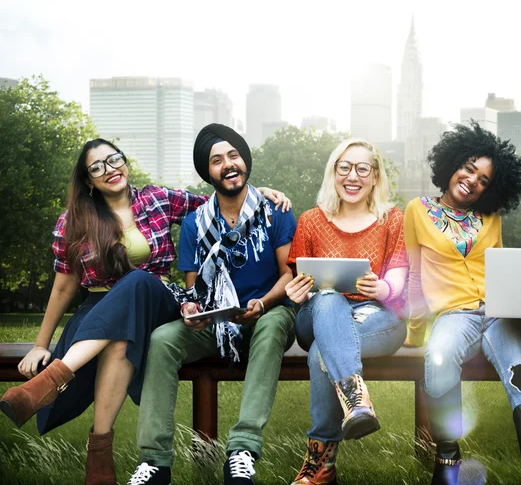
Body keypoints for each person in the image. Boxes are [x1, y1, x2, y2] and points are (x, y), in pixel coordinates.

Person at [0, 137, 288, 485]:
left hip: (158, 297)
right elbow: (63, 286)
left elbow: (221, 201)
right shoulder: (73, 222)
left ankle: (49, 382)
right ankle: (100, 460)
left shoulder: (158, 198)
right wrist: (39, 344)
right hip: (101, 311)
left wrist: (261, 191)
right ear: (88, 180)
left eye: (114, 159)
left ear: (125, 162)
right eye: (97, 167)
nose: (110, 169)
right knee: (121, 341)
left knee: (137, 281)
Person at [127, 123, 297, 485]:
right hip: (218, 325)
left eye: (234, 155)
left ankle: (242, 450)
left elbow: (289, 274)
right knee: (163, 339)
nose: (228, 164)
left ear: (245, 161)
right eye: (217, 160)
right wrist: (192, 312)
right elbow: (194, 290)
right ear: (208, 172)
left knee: (273, 323)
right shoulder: (194, 224)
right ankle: (155, 460)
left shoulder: (276, 211)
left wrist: (263, 303)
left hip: (266, 315)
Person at [284, 138, 408, 485]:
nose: (352, 176)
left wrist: (382, 288)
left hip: (377, 316)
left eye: (362, 168)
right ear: (334, 173)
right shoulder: (311, 220)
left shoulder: (392, 219)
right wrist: (297, 293)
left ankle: (320, 463)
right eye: (344, 167)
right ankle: (356, 399)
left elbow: (397, 278)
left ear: (374, 176)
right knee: (326, 298)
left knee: (326, 349)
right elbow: (300, 280)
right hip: (317, 313)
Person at [404, 121, 521, 485]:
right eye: (469, 168)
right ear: (452, 165)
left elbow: (502, 269)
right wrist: (415, 333)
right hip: (456, 316)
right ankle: (448, 455)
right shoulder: (418, 211)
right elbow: (415, 276)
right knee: (438, 357)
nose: (473, 180)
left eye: (484, 179)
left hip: (499, 314)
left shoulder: (492, 217)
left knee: (520, 370)